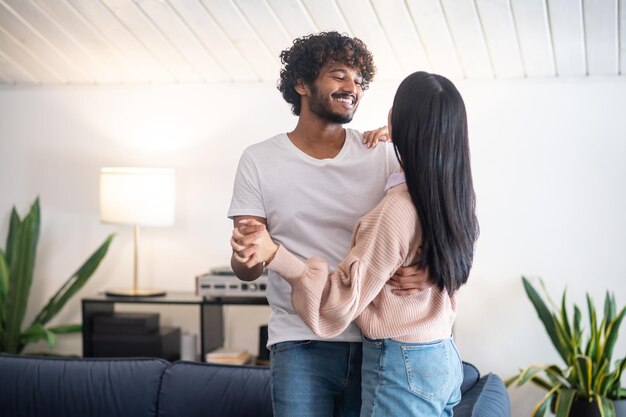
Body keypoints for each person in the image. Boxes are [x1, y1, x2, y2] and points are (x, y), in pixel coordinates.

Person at [233, 71, 480, 416]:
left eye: (360, 80)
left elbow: (339, 302)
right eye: (339, 76)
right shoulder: (444, 187)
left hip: (383, 346)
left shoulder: (391, 188)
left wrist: (277, 255)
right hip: (425, 349)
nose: (353, 88)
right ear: (302, 83)